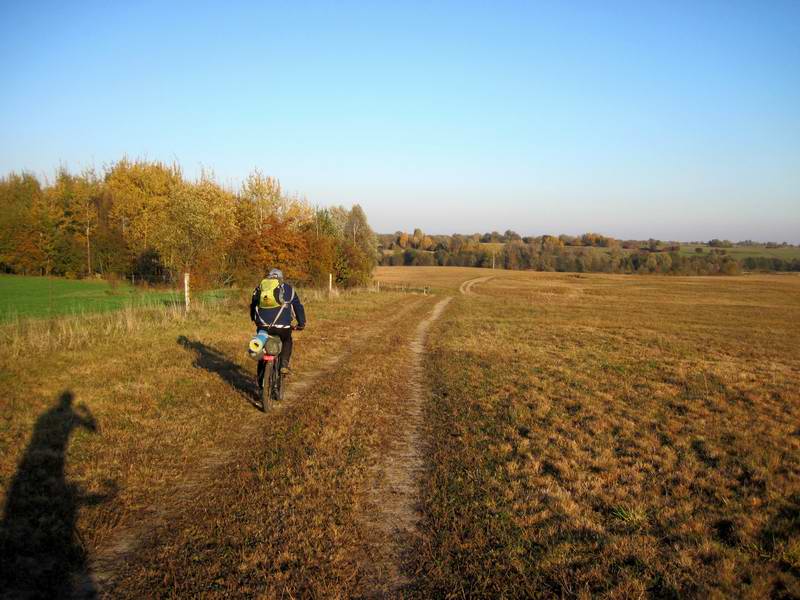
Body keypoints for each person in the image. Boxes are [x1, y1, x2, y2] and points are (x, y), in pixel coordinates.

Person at [249, 268, 306, 382]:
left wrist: (254, 319)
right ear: (281, 278)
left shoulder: (260, 288)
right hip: (283, 327)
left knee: (262, 348)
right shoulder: (289, 289)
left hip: (263, 326)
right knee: (287, 340)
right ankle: (284, 365)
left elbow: (253, 305)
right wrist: (301, 323)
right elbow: (298, 307)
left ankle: (261, 380)